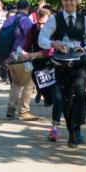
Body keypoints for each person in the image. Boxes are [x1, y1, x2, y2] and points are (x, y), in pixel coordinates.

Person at [39, 0, 86, 148]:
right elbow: (42, 38)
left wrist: (85, 50)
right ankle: (71, 132)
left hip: (79, 64)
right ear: (62, 1)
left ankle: (78, 128)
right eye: (66, 0)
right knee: (65, 99)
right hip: (60, 64)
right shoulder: (54, 20)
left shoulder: (84, 20)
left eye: (71, 0)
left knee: (80, 93)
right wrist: (53, 43)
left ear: (76, 1)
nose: (69, 3)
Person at [23, 8, 63, 139]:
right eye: (39, 23)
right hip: (38, 70)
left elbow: (50, 51)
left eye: (44, 24)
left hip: (54, 65)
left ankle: (54, 128)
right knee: (50, 98)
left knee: (58, 97)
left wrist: (33, 55)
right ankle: (43, 94)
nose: (41, 26)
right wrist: (24, 60)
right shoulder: (32, 30)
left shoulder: (56, 32)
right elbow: (24, 48)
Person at [1, 0, 37, 121]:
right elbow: (30, 36)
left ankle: (10, 109)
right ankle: (24, 111)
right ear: (27, 8)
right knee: (29, 83)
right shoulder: (25, 20)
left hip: (10, 57)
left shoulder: (10, 19)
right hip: (22, 56)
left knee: (16, 84)